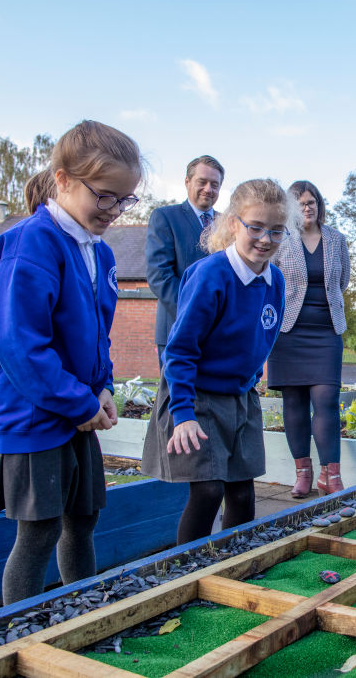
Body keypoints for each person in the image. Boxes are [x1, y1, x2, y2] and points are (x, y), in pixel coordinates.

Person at [0, 120, 143, 604]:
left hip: (76, 411)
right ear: (64, 179)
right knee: (39, 533)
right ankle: (19, 633)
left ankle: (83, 613)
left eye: (125, 199)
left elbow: (96, 334)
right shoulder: (31, 243)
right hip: (33, 415)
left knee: (83, 521)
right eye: (105, 195)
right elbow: (17, 344)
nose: (114, 210)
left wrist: (103, 387)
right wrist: (78, 401)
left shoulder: (101, 252)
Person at [142, 179, 289, 545]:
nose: (265, 239)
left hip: (240, 399)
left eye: (276, 230)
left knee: (242, 496)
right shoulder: (210, 275)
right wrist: (183, 414)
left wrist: (247, 384)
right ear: (233, 224)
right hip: (198, 397)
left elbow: (262, 340)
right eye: (256, 227)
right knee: (208, 491)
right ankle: (186, 569)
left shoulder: (276, 281)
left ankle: (233, 564)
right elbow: (180, 350)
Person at [267, 180, 350, 498]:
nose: (307, 207)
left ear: (319, 204)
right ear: (290, 208)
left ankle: (332, 475)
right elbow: (270, 279)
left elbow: (342, 281)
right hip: (288, 332)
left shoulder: (336, 239)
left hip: (326, 332)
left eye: (311, 201)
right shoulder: (280, 237)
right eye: (300, 203)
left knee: (326, 401)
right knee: (294, 404)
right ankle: (303, 473)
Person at [146, 156, 225, 361]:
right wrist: (194, 313)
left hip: (219, 334)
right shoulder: (165, 217)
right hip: (177, 328)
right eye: (202, 182)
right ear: (187, 182)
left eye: (214, 184)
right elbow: (159, 275)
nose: (208, 189)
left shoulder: (229, 224)